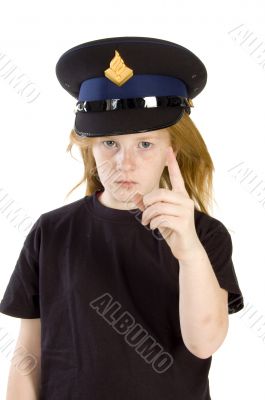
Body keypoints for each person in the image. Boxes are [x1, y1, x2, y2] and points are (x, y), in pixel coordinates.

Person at [0, 36, 244, 400]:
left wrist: (189, 252)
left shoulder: (205, 236)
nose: (124, 163)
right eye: (110, 143)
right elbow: (28, 354)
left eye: (144, 144)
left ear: (170, 151)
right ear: (90, 147)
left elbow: (204, 343)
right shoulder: (51, 231)